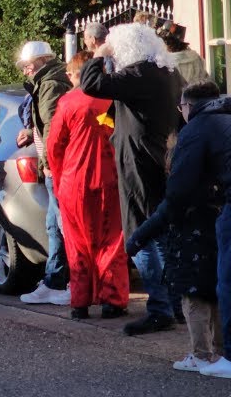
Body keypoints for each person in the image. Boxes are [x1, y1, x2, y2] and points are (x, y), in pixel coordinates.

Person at [80, 22, 183, 335]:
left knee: (144, 235)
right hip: (160, 158)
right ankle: (175, 304)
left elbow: (90, 83)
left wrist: (100, 52)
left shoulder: (140, 74)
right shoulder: (167, 72)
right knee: (162, 233)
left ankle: (160, 308)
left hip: (140, 163)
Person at [126, 82, 231, 377]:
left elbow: (174, 199)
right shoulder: (224, 123)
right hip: (215, 233)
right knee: (220, 293)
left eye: (181, 107)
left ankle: (201, 354)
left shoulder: (196, 131)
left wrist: (138, 237)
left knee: (194, 299)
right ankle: (222, 353)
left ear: (189, 106)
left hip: (191, 245)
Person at [44, 51, 129, 320]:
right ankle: (112, 300)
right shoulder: (114, 99)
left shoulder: (68, 102)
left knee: (77, 243)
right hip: (110, 177)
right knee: (111, 240)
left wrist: (58, 179)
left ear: (79, 74)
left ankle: (80, 302)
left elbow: (54, 146)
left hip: (74, 180)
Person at [15, 41, 72, 307]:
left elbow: (52, 126)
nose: (25, 70)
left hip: (57, 167)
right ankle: (55, 281)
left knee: (60, 226)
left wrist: (48, 162)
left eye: (27, 64)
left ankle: (63, 283)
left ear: (42, 60)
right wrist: (30, 133)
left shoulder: (50, 84)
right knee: (54, 225)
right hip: (55, 166)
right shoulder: (49, 81)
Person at [156, 19, 211, 88]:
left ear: (166, 43)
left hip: (177, 97)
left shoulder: (164, 63)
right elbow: (206, 81)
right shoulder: (197, 59)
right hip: (197, 96)